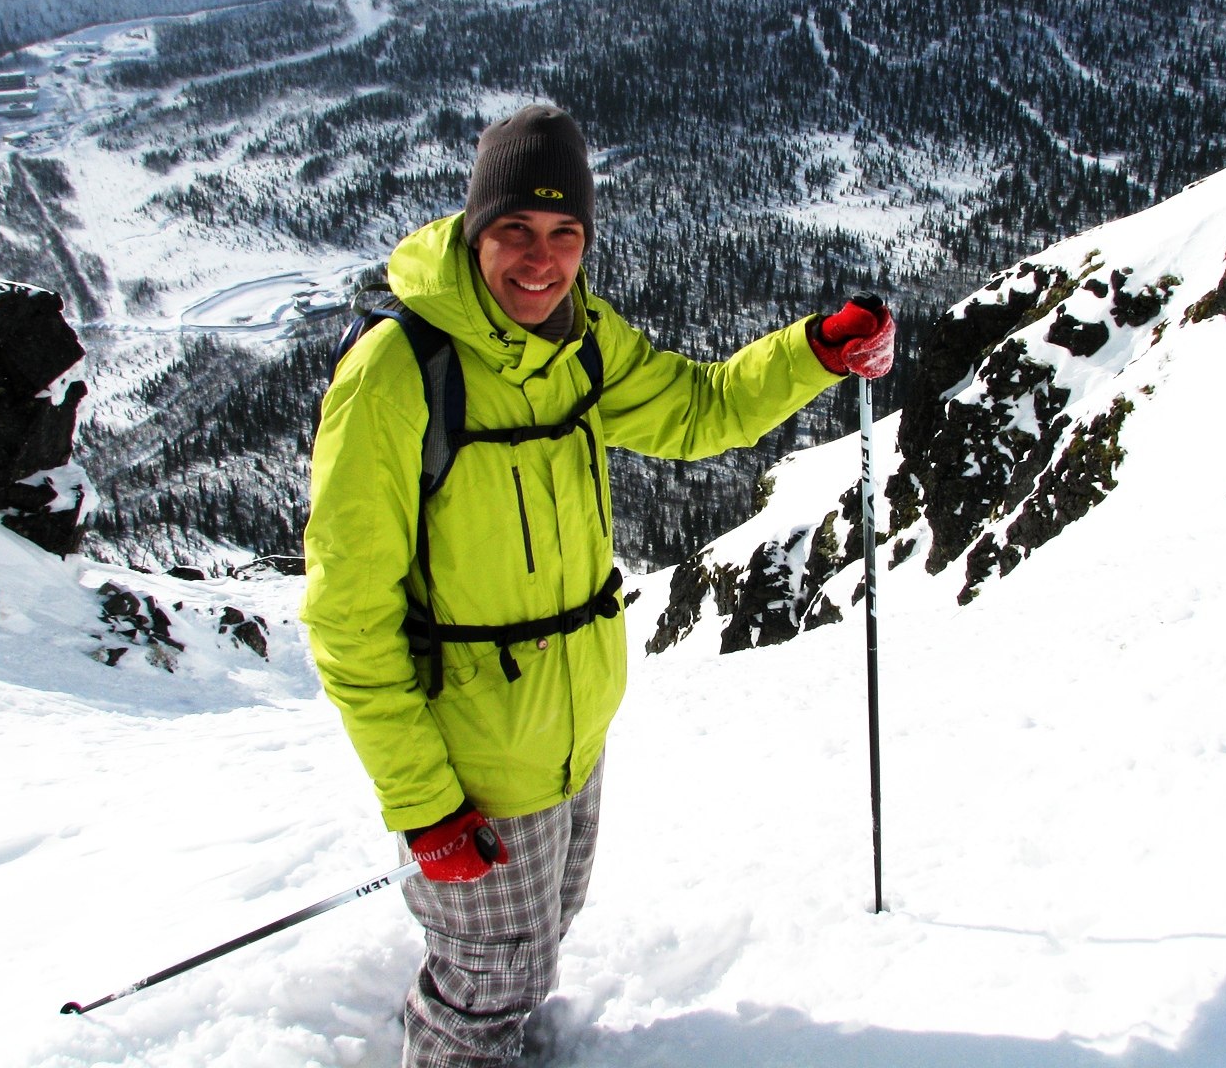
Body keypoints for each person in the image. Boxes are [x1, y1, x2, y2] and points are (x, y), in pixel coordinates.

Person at [300, 104, 894, 1068]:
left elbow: (699, 410)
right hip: (476, 760)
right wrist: (425, 805)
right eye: (515, 230)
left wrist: (815, 351)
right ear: (474, 230)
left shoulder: (580, 337)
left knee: (536, 943)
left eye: (565, 232)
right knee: (490, 978)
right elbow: (348, 617)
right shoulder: (400, 373)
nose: (542, 260)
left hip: (572, 731)